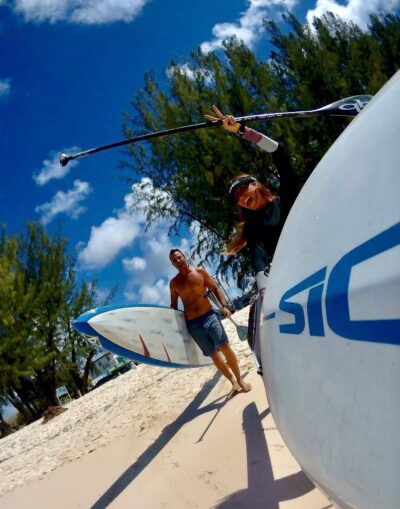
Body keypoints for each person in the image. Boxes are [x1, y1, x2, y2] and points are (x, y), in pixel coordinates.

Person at [205, 106, 300, 375]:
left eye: (241, 189)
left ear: (256, 183)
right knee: (255, 318)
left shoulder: (287, 199)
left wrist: (242, 131)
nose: (240, 197)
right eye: (236, 198)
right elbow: (258, 260)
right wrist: (263, 290)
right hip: (291, 276)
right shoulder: (255, 229)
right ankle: (266, 362)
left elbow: (279, 151)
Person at [169, 249, 251, 396]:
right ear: (172, 264)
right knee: (214, 355)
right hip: (193, 324)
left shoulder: (200, 272)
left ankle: (240, 380)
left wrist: (225, 306)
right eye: (174, 260)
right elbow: (174, 307)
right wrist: (174, 328)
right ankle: (233, 382)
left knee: (224, 347)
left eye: (179, 257)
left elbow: (215, 288)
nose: (178, 261)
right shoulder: (174, 283)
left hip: (209, 316)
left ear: (184, 257)